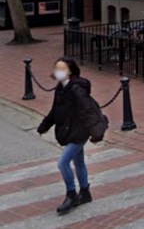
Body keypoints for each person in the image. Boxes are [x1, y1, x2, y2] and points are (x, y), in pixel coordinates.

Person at [37, 57, 105, 216]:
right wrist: (44, 125)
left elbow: (88, 111)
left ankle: (71, 194)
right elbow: (55, 110)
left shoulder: (76, 89)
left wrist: (96, 133)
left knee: (63, 163)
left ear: (70, 72)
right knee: (79, 161)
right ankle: (85, 192)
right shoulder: (60, 88)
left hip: (79, 132)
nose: (58, 72)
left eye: (62, 69)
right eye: (57, 68)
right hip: (70, 130)